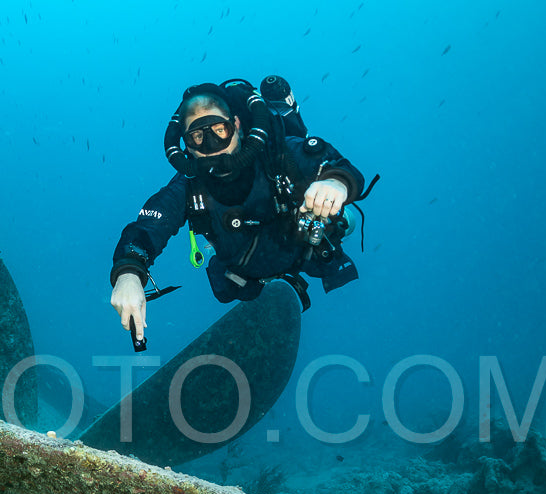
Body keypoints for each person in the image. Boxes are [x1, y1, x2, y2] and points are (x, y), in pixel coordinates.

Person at [109, 77, 374, 345]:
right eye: (199, 136)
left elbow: (336, 164)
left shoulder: (278, 152)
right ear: (186, 145)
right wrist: (129, 272)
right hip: (245, 272)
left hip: (304, 247)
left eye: (219, 130)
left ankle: (284, 110)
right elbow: (147, 227)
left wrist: (335, 182)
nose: (211, 145)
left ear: (236, 124)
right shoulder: (189, 187)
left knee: (341, 218)